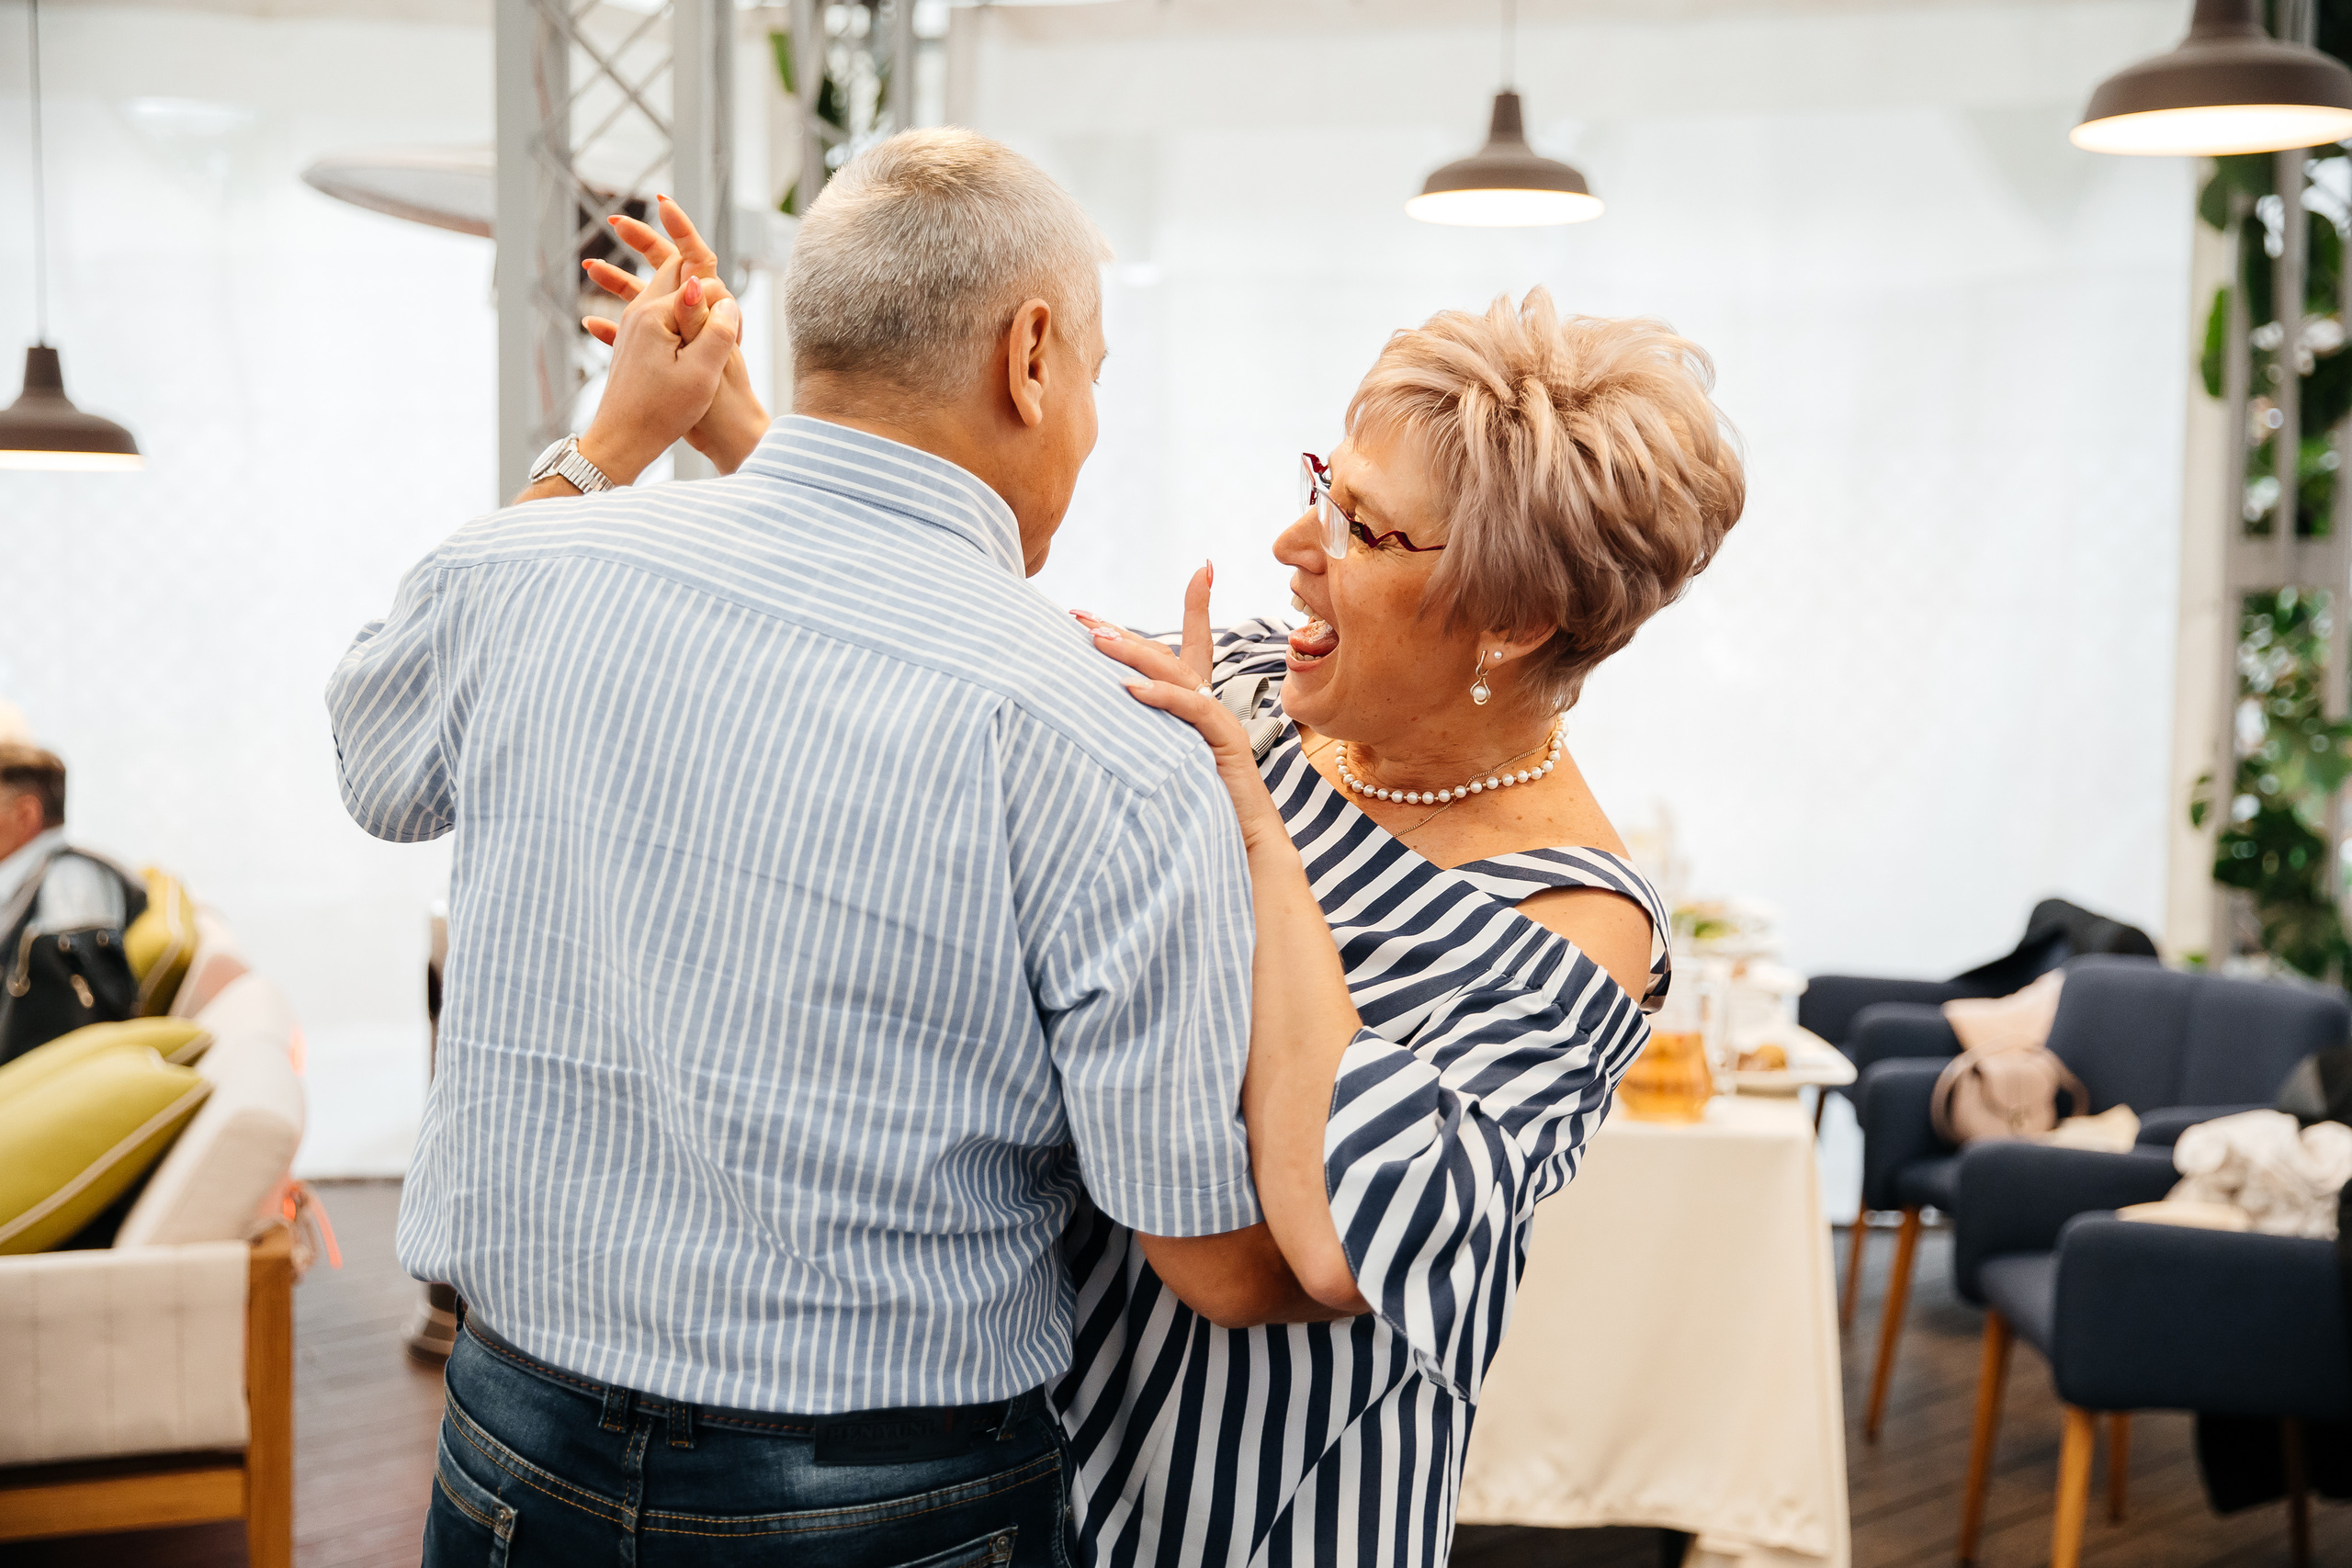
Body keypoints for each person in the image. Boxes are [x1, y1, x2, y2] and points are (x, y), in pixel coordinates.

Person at [585, 192, 1743, 1564]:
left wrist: (1249, 813)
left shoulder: (1573, 925)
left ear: (1516, 619)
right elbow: (963, 655)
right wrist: (739, 421)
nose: (1293, 547)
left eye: (1366, 534)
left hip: (1256, 1516)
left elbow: (1328, 1244)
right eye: (1326, 484)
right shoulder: (1253, 679)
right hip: (1027, 1454)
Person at [327, 130, 1312, 1568]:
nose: (1089, 421)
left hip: (508, 1446)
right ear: (1031, 354)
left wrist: (608, 443)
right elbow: (1196, 1236)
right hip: (884, 1496)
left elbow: (377, 760)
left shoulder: (516, 577)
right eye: (1094, 371)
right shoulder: (1106, 737)